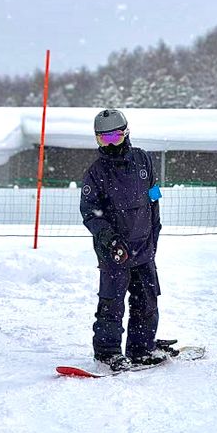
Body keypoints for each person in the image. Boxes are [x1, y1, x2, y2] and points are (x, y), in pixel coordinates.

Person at [80, 108, 163, 372]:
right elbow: (90, 212)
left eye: (115, 136)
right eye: (104, 139)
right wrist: (109, 239)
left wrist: (155, 232)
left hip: (144, 245)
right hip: (114, 250)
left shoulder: (143, 160)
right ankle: (107, 352)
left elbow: (153, 197)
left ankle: (141, 349)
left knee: (146, 300)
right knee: (111, 302)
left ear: (126, 133)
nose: (110, 143)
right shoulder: (95, 172)